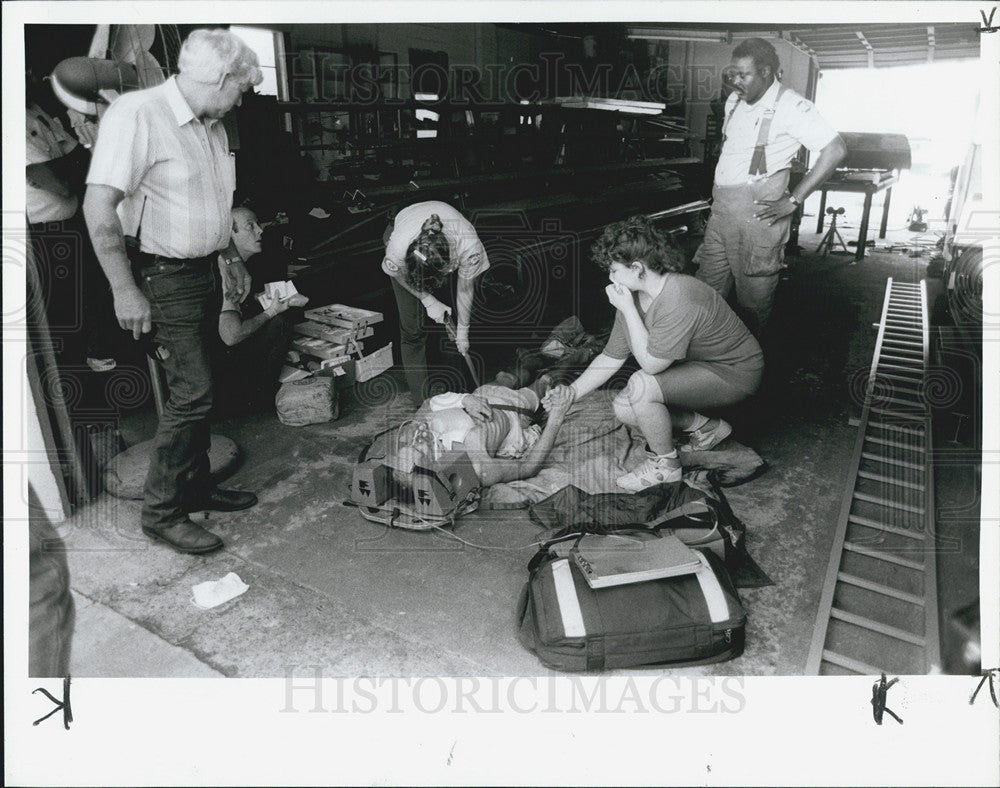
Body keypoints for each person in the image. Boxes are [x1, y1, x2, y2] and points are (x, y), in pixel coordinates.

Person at [83, 29, 263, 555]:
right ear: (222, 78)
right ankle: (162, 513)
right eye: (241, 88)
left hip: (204, 267)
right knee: (193, 392)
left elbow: (213, 202)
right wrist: (123, 287)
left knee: (205, 386)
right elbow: (99, 208)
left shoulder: (211, 125)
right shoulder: (138, 115)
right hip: (163, 275)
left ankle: (197, 485)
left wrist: (229, 257)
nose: (244, 96)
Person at [553, 216, 763, 493]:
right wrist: (569, 395)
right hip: (700, 366)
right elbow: (610, 357)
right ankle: (707, 428)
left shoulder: (679, 296)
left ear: (637, 267)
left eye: (614, 270)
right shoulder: (634, 296)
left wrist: (627, 310)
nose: (610, 277)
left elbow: (651, 365)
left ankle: (666, 467)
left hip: (734, 373)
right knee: (625, 407)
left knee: (641, 385)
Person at [693, 37, 847, 335]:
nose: (735, 81)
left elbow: (836, 150)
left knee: (752, 303)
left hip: (757, 220)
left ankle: (749, 370)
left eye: (744, 75)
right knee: (705, 293)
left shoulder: (793, 107)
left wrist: (793, 200)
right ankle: (706, 366)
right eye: (732, 74)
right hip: (722, 213)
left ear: (766, 72)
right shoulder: (734, 101)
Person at [26, 71, 117, 372]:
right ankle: (76, 404)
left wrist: (62, 169)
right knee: (64, 321)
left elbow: (84, 162)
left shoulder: (37, 111)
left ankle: (95, 381)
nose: (31, 75)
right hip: (44, 236)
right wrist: (64, 169)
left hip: (72, 224)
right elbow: (59, 184)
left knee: (91, 305)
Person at [381, 200, 490, 408]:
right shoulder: (398, 247)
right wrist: (428, 299)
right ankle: (422, 406)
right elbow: (396, 273)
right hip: (402, 235)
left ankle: (462, 397)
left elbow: (465, 289)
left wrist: (463, 332)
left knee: (452, 324)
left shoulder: (469, 246)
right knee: (412, 330)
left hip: (449, 250)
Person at [390, 375, 574, 488]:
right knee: (543, 382)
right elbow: (529, 467)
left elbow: (427, 404)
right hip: (513, 409)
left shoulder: (411, 434)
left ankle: (531, 359)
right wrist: (557, 416)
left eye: (411, 445)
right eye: (419, 449)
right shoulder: (477, 466)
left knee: (508, 376)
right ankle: (576, 355)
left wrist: (464, 399)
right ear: (432, 469)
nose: (418, 439)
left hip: (480, 395)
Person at [213, 206, 308, 414]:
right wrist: (270, 311)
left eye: (257, 224)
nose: (260, 230)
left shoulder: (239, 265)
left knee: (282, 315)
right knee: (279, 323)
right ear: (230, 235)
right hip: (217, 369)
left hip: (219, 357)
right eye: (250, 227)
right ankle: (256, 400)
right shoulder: (226, 272)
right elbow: (231, 336)